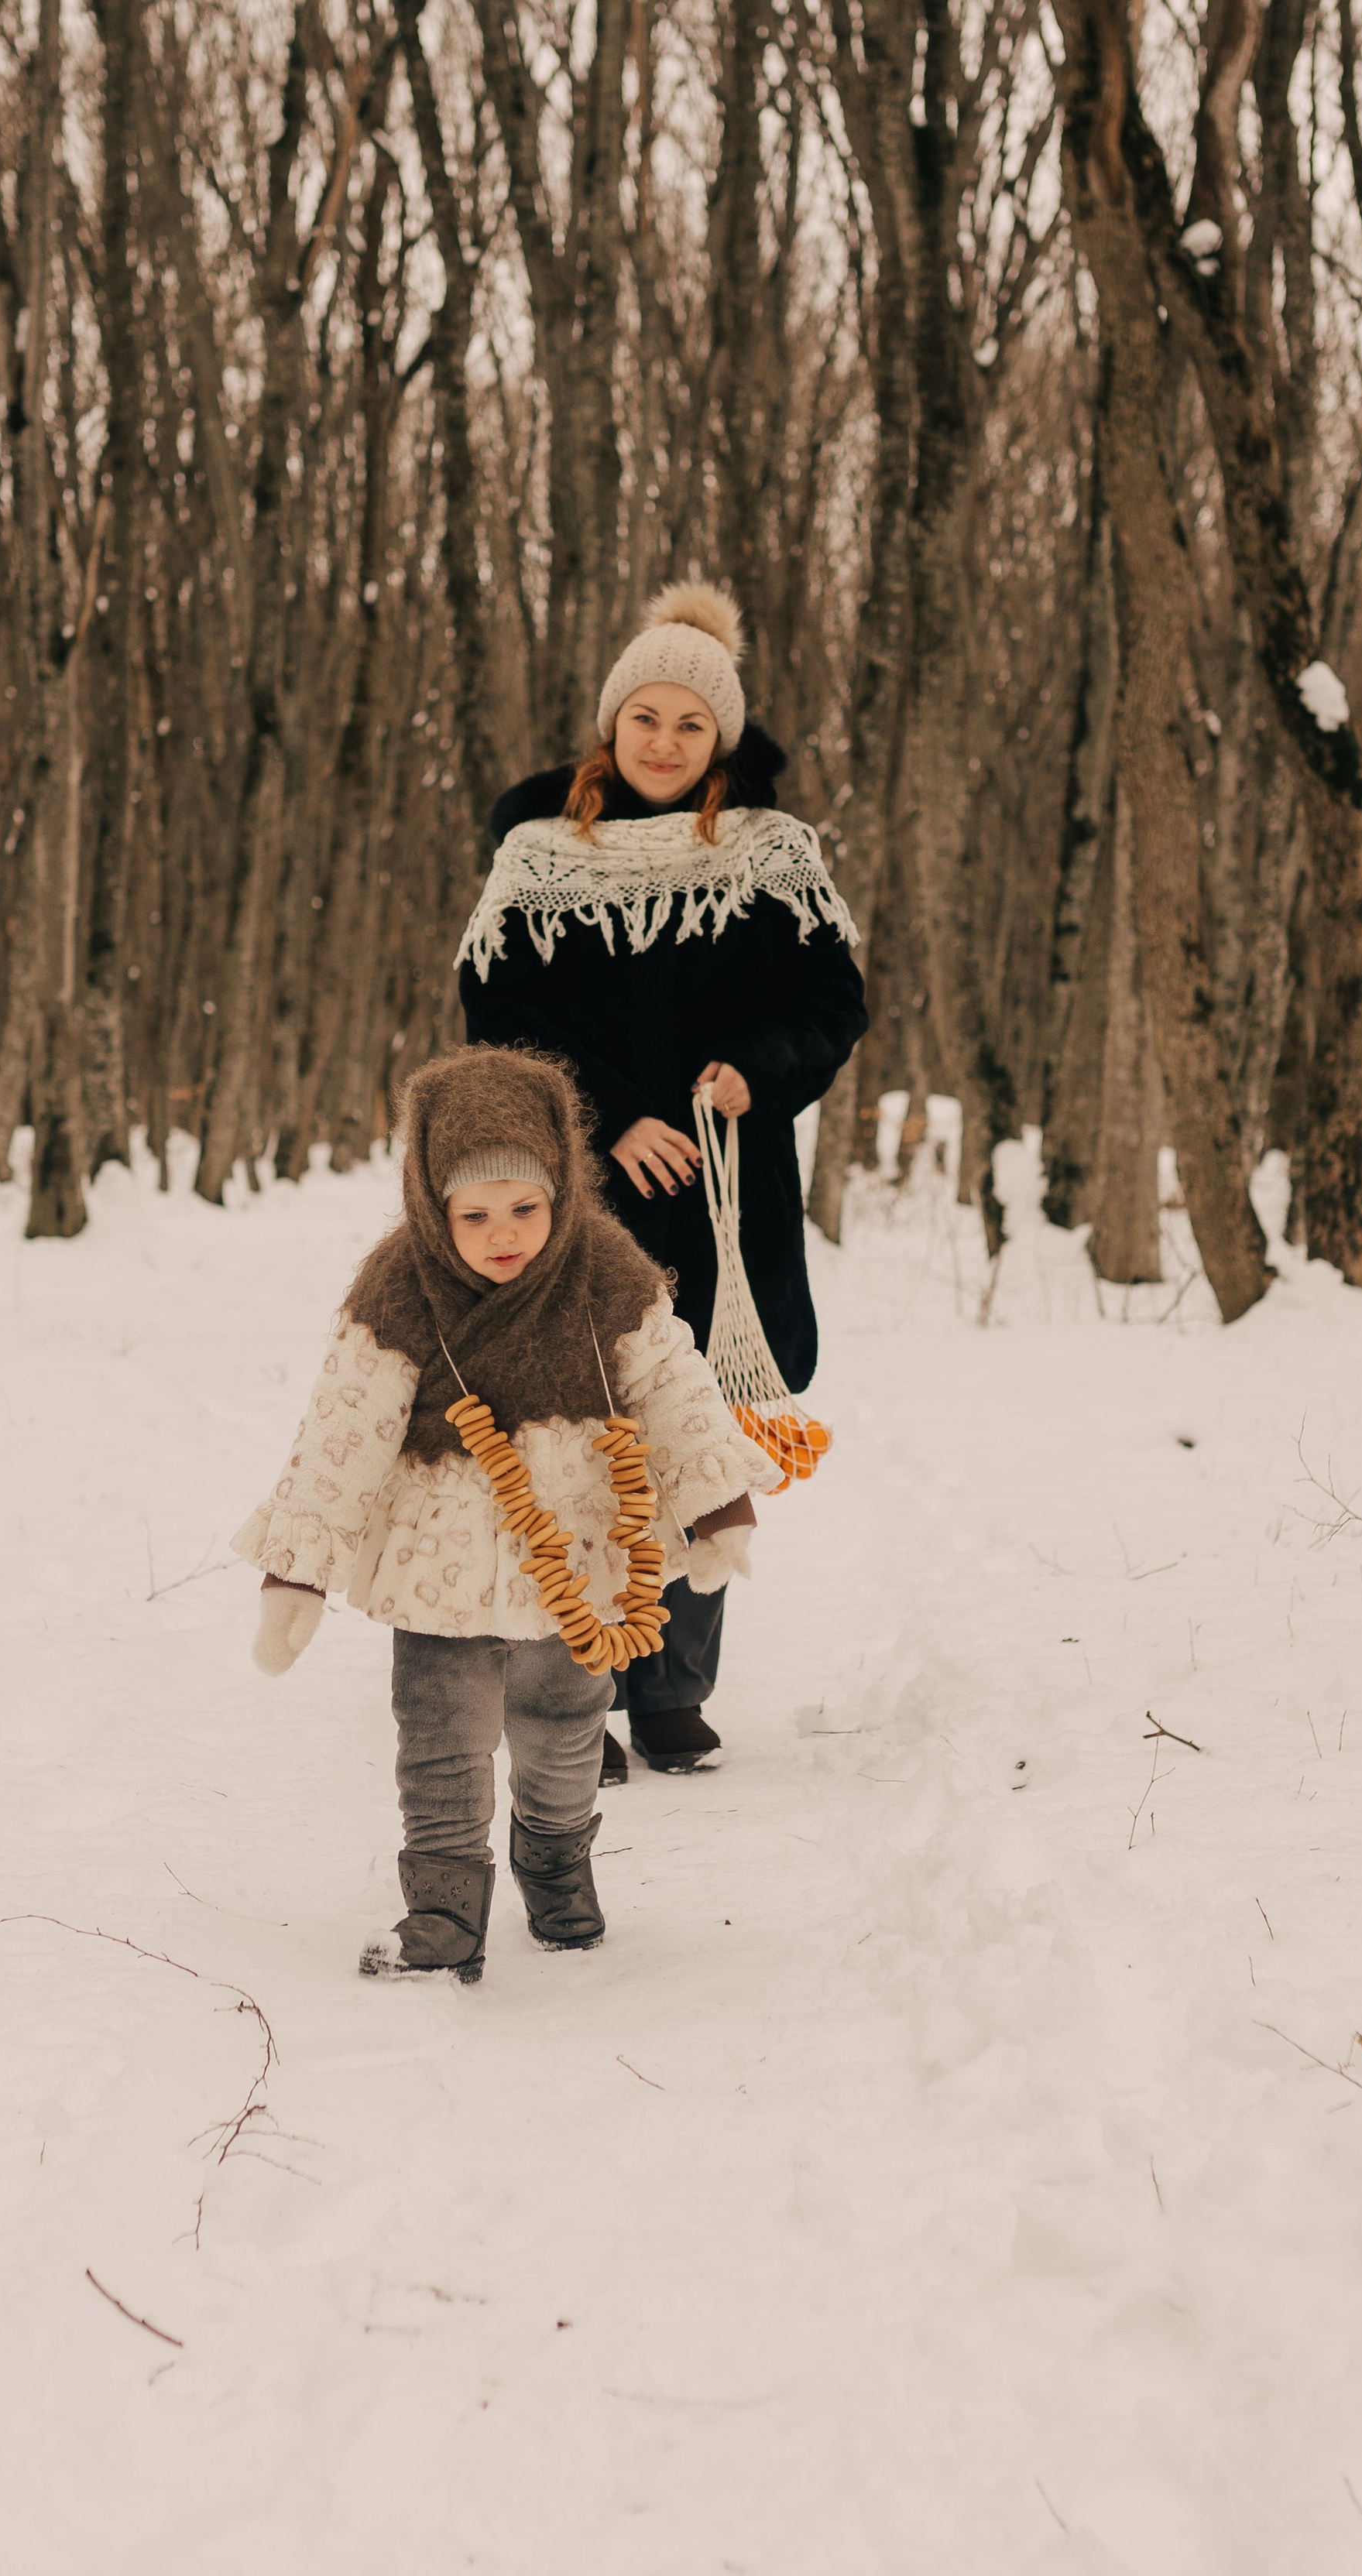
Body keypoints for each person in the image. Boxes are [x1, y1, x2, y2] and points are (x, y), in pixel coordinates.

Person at [233, 1046, 778, 1984]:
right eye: (474, 1214)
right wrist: (296, 1567)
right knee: (438, 1743)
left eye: (527, 1209)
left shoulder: (606, 1272)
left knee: (566, 1738)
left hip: (576, 1559)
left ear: (564, 1191)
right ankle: (443, 1907)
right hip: (435, 1572)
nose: (503, 1235)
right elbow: (344, 1427)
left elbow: (670, 1382)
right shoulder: (399, 1287)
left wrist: (714, 1502)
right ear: (431, 1205)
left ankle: (555, 1856)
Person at [458, 581, 866, 1780]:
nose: (667, 743)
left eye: (693, 725)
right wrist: (612, 1118)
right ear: (611, 723)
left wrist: (760, 1069)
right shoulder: (538, 855)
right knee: (581, 1436)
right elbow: (499, 1010)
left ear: (721, 739)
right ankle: (577, 1688)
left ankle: (674, 1689)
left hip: (722, 1192)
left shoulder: (771, 854)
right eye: (647, 717)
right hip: (575, 1186)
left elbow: (832, 1002)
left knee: (694, 1432)